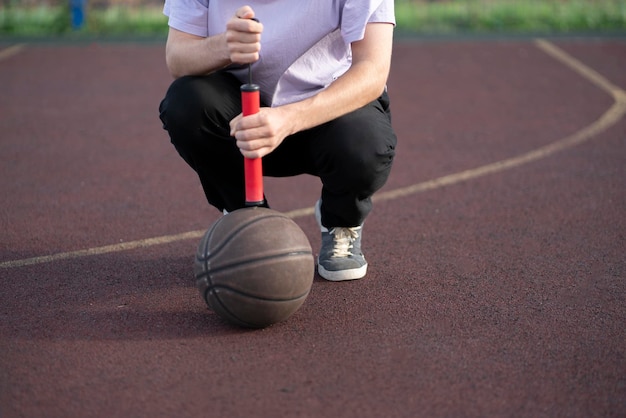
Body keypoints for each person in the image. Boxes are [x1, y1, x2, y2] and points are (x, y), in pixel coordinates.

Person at [159, 1, 397, 281]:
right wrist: (223, 47)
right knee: (185, 103)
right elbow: (177, 58)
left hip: (327, 111)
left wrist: (289, 118)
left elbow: (372, 70)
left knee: (365, 143)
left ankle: (341, 220)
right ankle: (246, 217)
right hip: (240, 117)